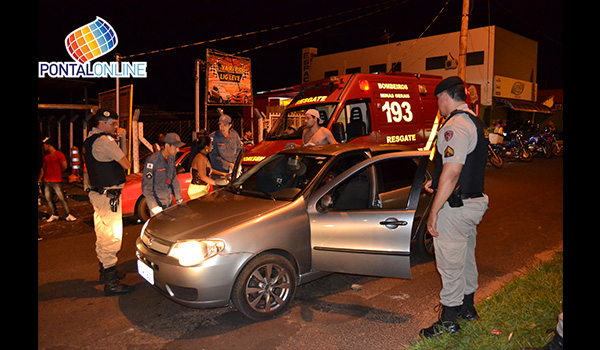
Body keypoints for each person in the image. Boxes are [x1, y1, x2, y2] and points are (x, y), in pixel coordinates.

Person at [420, 76, 489, 338]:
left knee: (449, 263)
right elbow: (464, 168)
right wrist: (436, 184)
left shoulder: (455, 125)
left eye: (438, 100)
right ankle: (467, 309)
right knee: (466, 257)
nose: (439, 105)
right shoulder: (475, 122)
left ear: (445, 97)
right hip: (472, 202)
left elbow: (452, 172)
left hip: (456, 208)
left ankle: (448, 320)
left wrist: (434, 212)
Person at [82, 108, 134, 295]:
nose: (115, 127)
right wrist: (124, 139)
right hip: (109, 196)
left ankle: (105, 271)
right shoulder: (105, 141)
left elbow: (88, 170)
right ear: (101, 124)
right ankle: (111, 282)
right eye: (112, 124)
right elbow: (127, 163)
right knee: (112, 237)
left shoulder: (89, 141)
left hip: (97, 194)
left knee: (102, 233)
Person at [142, 133, 186, 216]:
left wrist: (178, 197)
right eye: (175, 147)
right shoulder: (152, 161)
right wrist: (154, 207)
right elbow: (147, 188)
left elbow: (173, 178)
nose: (178, 150)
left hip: (169, 202)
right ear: (167, 146)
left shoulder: (171, 158)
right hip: (157, 203)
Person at [39, 138, 77, 222]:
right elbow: (43, 168)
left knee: (61, 198)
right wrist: (40, 179)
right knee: (49, 199)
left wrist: (58, 173)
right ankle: (55, 214)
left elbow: (64, 166)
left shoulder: (59, 155)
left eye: (44, 145)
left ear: (49, 145)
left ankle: (67, 214)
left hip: (56, 180)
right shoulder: (45, 157)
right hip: (47, 180)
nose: (43, 147)